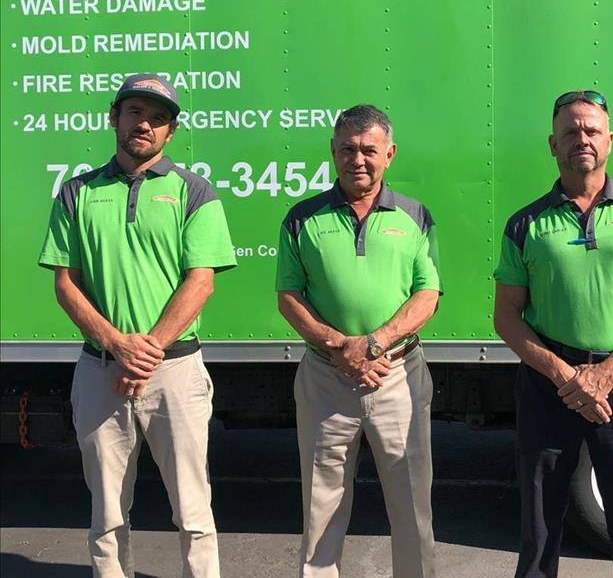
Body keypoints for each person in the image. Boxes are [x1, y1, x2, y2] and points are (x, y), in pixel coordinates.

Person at [38, 74, 236, 578]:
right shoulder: (77, 193)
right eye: (134, 112)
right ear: (114, 118)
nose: (143, 124)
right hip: (100, 370)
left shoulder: (195, 191)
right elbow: (66, 282)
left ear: (170, 131)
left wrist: (144, 352)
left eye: (157, 117)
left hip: (176, 371)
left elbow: (201, 282)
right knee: (106, 512)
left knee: (193, 509)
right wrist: (115, 344)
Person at [494, 90, 613, 577]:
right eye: (570, 131)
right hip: (547, 383)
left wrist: (607, 372)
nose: (582, 139)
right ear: (552, 144)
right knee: (539, 524)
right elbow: (507, 317)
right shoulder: (525, 223)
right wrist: (565, 375)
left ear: (610, 140)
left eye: (592, 130)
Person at [276, 104, 441, 577]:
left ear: (389, 154)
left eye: (369, 149)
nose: (358, 159)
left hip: (398, 377)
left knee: (412, 507)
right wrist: (339, 347)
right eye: (347, 149)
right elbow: (289, 296)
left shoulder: (414, 215)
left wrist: (373, 343)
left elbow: (428, 294)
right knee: (320, 505)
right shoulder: (302, 218)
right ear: (332, 152)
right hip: (326, 378)